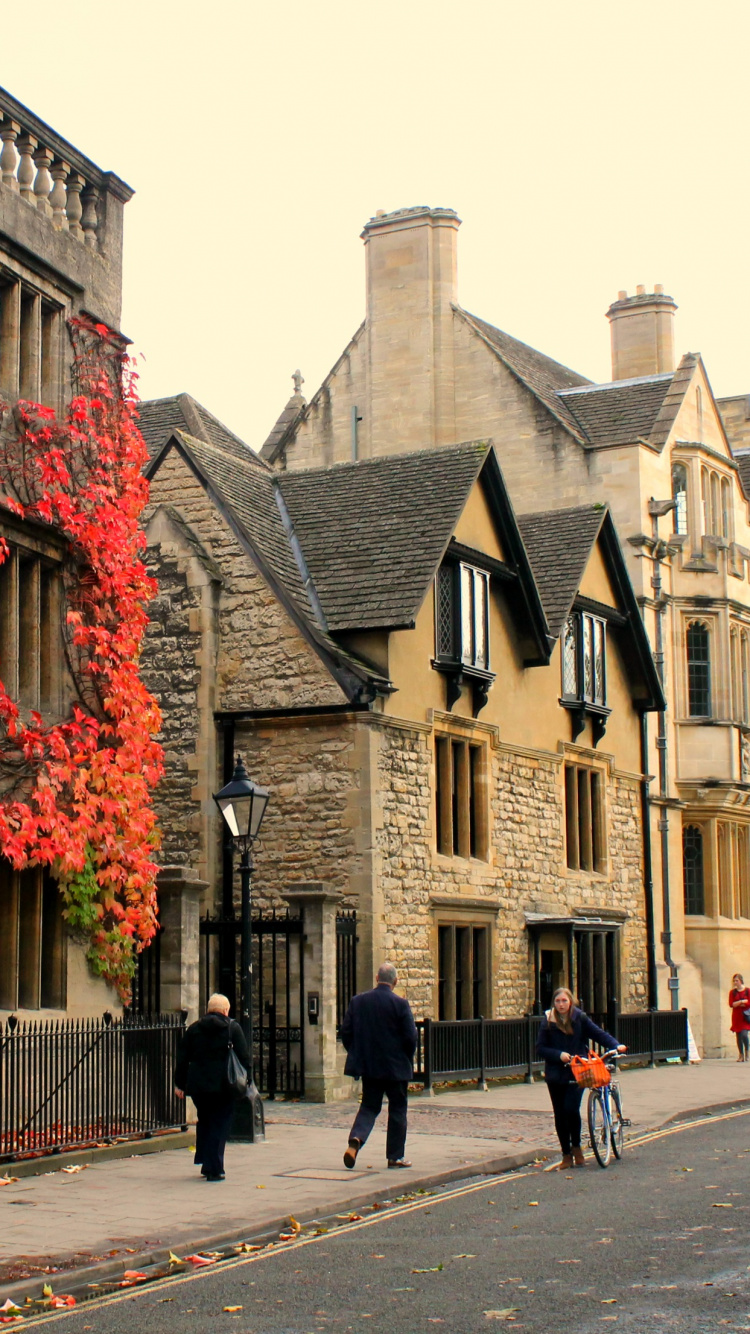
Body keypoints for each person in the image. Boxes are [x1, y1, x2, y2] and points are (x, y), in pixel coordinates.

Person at [536, 987, 626, 1169]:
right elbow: (540, 1048)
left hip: (578, 1071)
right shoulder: (547, 1021)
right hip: (555, 1073)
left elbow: (599, 1034)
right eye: (557, 1001)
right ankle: (566, 1155)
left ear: (571, 1002)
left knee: (571, 1109)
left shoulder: (580, 1018)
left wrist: (617, 1045)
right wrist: (558, 1054)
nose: (561, 1005)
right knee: (560, 1114)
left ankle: (577, 1148)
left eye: (564, 1001)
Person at [341, 961, 418, 1170]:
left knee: (368, 1106)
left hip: (370, 1067)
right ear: (395, 981)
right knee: (398, 1110)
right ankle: (395, 1157)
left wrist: (359, 1053)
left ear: (377, 978)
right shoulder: (400, 1004)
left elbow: (346, 1033)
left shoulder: (358, 1002)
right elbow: (411, 1037)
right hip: (396, 1069)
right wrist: (405, 1057)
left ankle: (355, 1140)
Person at [174, 993, 250, 1182]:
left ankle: (206, 1163)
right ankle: (215, 1168)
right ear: (226, 1010)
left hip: (199, 1086)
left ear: (208, 1009)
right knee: (220, 1124)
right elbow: (244, 1058)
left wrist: (179, 1084)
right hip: (225, 1085)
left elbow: (182, 1059)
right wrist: (248, 1081)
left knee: (206, 1121)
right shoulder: (232, 1028)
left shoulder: (194, 1029)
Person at [728, 973, 750, 1061]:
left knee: (744, 1035)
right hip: (736, 1016)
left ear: (741, 981)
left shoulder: (747, 991)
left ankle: (747, 1052)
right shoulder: (732, 992)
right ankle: (741, 1055)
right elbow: (731, 1004)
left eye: (737, 981)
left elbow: (749, 1003)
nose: (735, 982)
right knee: (738, 1036)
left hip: (745, 1016)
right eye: (734, 981)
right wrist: (742, 1002)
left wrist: (738, 1003)